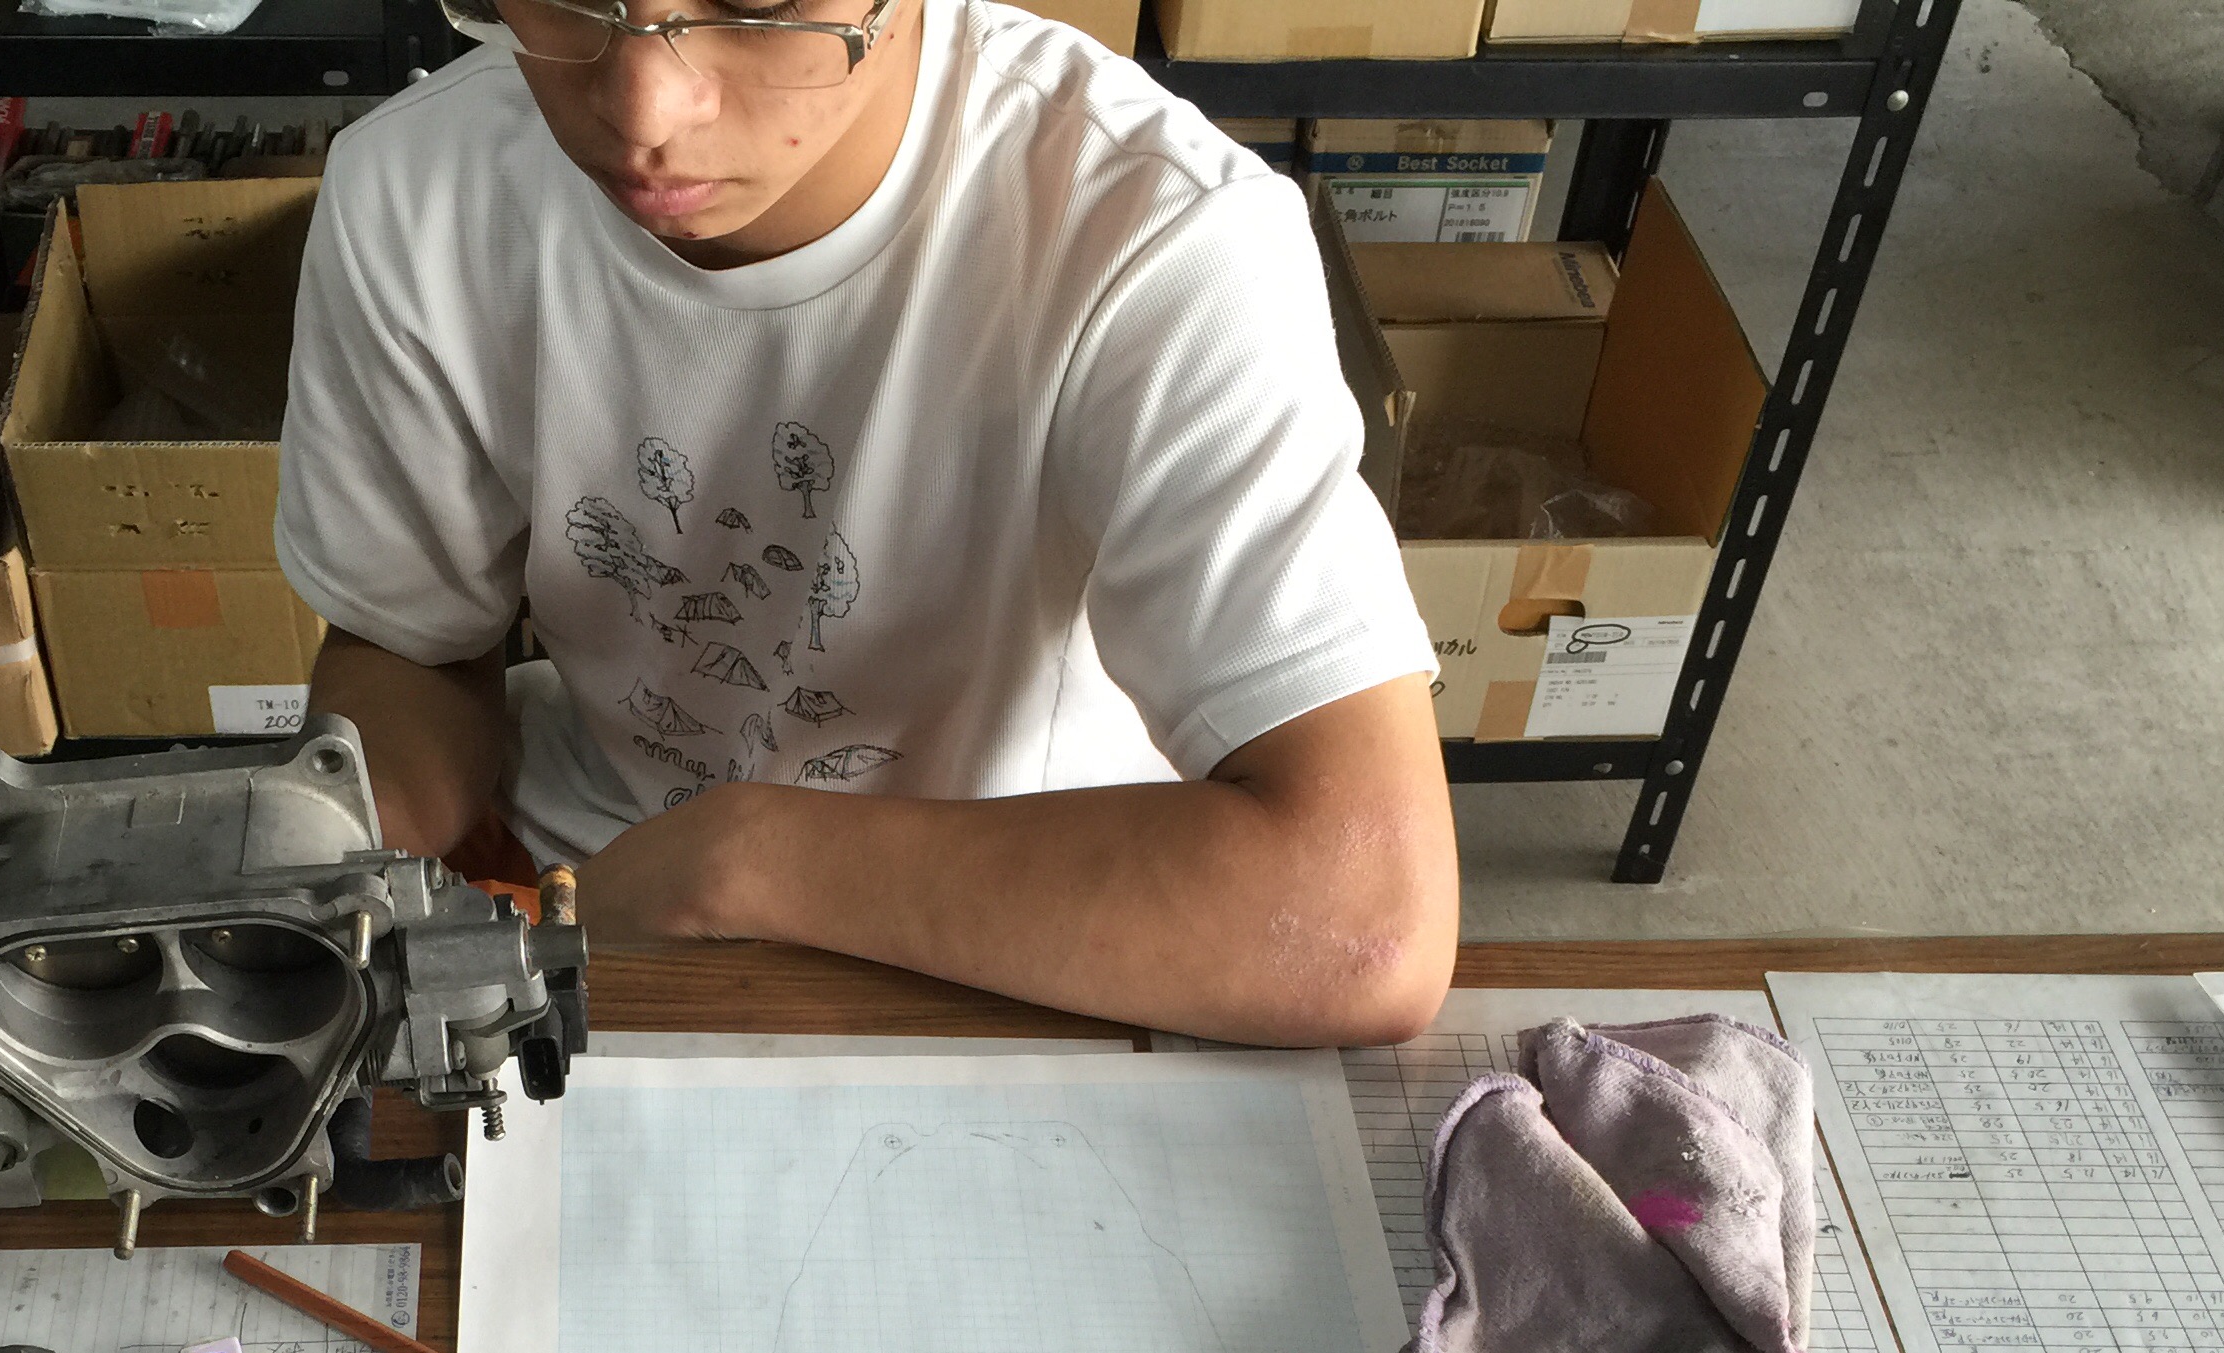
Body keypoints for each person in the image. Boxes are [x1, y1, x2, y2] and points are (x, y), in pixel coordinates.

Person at [276, 0, 1453, 1046]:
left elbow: (1361, 918)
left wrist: (739, 861)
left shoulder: (1153, 233)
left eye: (760, 1)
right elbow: (415, 649)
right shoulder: (414, 192)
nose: (643, 108)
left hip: (1032, 928)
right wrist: (319, 868)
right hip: (594, 895)